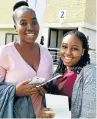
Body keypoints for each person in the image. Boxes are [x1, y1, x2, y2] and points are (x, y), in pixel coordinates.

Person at [0, 1, 54, 118]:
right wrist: (14, 91)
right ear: (15, 28)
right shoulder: (5, 53)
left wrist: (46, 89)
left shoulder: (46, 53)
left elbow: (50, 85)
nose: (30, 27)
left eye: (34, 22)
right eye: (23, 23)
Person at [44, 31, 96, 118]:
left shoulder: (89, 73)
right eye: (64, 47)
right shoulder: (58, 73)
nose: (68, 52)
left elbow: (88, 115)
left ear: (82, 51)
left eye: (74, 49)